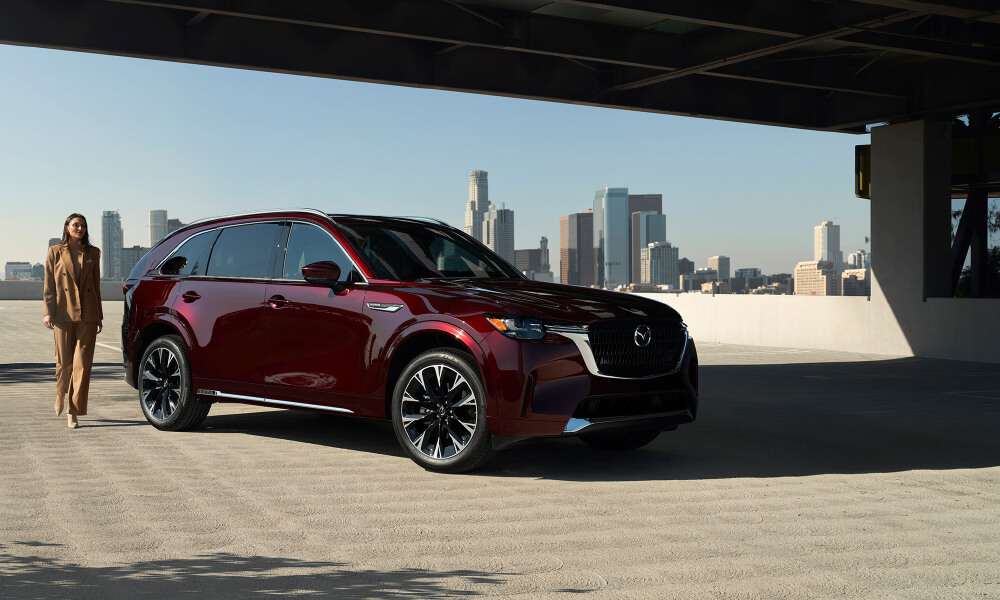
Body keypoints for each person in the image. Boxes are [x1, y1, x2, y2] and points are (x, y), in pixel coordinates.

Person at [43, 213, 103, 429]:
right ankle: (61, 391)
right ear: (67, 227)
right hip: (62, 313)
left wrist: (99, 316)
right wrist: (48, 312)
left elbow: (96, 286)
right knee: (64, 364)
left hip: (88, 315)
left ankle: (73, 411)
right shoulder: (55, 252)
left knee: (82, 365)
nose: (80, 229)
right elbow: (49, 284)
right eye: (76, 225)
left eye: (83, 225)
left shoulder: (93, 253)